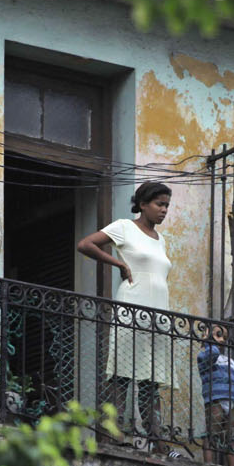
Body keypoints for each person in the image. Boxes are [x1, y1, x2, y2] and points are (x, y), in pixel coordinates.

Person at [77, 181, 172, 438]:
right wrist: (118, 263)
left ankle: (156, 439)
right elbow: (86, 244)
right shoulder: (125, 227)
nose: (164, 210)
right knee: (122, 373)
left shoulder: (160, 239)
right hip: (132, 309)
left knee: (151, 381)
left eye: (167, 205)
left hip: (158, 318)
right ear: (142, 204)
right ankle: (113, 433)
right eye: (159, 204)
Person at [197, 326, 234, 466]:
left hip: (231, 399)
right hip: (215, 399)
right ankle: (209, 464)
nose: (220, 338)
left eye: (222, 335)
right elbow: (212, 354)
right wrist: (208, 342)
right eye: (216, 334)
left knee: (232, 435)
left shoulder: (229, 361)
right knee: (212, 432)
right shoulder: (204, 356)